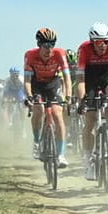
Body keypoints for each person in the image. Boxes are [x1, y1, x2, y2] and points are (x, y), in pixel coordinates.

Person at [74, 23, 108, 177]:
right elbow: (80, 78)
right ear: (92, 41)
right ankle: (88, 158)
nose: (102, 45)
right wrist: (82, 99)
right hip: (89, 77)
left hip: (106, 74)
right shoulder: (84, 49)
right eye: (98, 42)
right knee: (89, 121)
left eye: (105, 41)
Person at [22, 29, 69, 166]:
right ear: (39, 44)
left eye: (52, 45)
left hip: (53, 84)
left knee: (57, 115)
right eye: (46, 45)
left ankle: (61, 154)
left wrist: (68, 97)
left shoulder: (60, 54)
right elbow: (27, 81)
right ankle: (37, 142)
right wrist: (30, 97)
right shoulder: (30, 55)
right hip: (36, 84)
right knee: (39, 110)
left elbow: (67, 78)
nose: (49, 49)